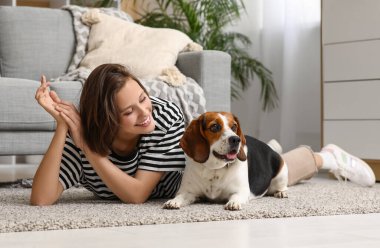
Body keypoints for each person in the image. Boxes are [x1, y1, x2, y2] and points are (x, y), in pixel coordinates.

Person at [31, 63, 376, 206]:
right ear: (106, 120)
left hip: (205, 171)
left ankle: (325, 156)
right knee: (262, 155)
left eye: (142, 98)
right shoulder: (81, 136)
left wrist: (89, 149)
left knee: (273, 170)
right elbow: (41, 200)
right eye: (129, 111)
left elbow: (136, 195)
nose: (143, 112)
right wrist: (64, 125)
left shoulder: (162, 117)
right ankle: (269, 147)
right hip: (205, 176)